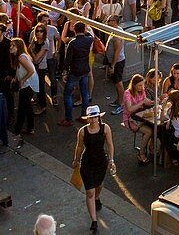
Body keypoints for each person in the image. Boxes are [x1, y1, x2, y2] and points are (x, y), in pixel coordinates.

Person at [72, 105, 115, 233]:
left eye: (95, 117)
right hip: (87, 163)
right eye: (91, 117)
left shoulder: (105, 128)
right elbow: (79, 147)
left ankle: (97, 198)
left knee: (99, 185)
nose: (94, 119)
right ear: (88, 119)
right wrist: (76, 160)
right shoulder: (82, 131)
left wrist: (111, 160)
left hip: (101, 162)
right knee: (89, 192)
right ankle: (94, 221)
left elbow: (110, 145)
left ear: (99, 117)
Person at [60, 21, 93, 126]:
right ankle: (84, 115)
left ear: (74, 30)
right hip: (85, 69)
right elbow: (90, 35)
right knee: (85, 93)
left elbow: (68, 59)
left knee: (68, 94)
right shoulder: (88, 40)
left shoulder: (73, 43)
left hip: (75, 71)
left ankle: (68, 118)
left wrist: (64, 72)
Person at [10, 37, 39, 142]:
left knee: (22, 108)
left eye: (13, 45)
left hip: (28, 85)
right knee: (27, 107)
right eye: (11, 45)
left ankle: (17, 130)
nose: (11, 47)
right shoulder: (20, 56)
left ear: (19, 47)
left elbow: (31, 70)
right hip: (28, 84)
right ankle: (30, 127)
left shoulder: (21, 57)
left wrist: (22, 80)